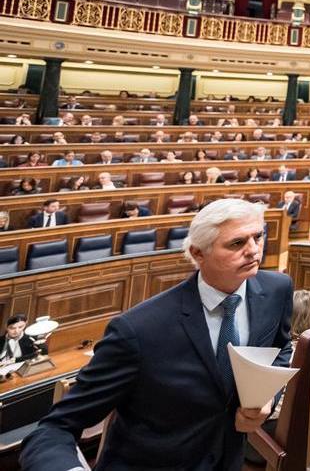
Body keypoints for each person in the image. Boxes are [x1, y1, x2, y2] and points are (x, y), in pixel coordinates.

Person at [22, 199, 294, 471]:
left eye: (258, 236)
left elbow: (280, 348)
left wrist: (266, 397)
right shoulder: (138, 330)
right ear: (198, 254)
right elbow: (54, 429)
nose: (254, 250)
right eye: (237, 243)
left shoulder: (276, 290)